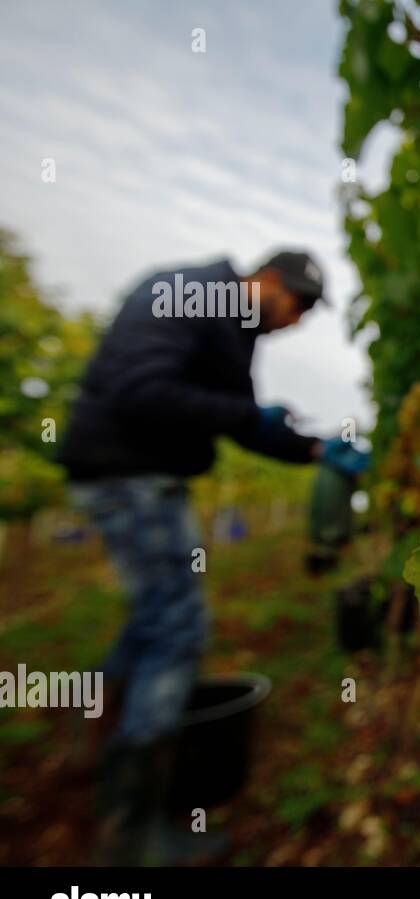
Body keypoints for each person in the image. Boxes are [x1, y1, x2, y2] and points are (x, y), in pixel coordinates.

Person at [58, 250, 369, 865]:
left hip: (136, 472)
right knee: (176, 629)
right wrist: (248, 414)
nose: (299, 320)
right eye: (299, 305)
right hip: (130, 473)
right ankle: (129, 832)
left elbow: (237, 422)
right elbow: (141, 391)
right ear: (268, 282)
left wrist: (311, 447)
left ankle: (91, 739)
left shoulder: (229, 323)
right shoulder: (191, 293)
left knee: (153, 619)